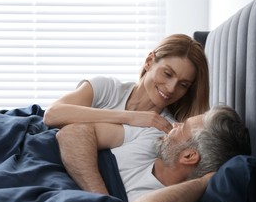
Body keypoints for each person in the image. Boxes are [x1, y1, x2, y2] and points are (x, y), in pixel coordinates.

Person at [56, 105, 252, 202]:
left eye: (182, 128)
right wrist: (103, 201)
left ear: (189, 156)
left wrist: (204, 181)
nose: (174, 124)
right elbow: (72, 133)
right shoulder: (151, 135)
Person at [43, 34, 210, 135]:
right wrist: (130, 117)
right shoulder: (108, 89)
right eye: (167, 74)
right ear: (149, 61)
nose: (171, 88)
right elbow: (52, 114)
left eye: (183, 85)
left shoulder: (166, 129)